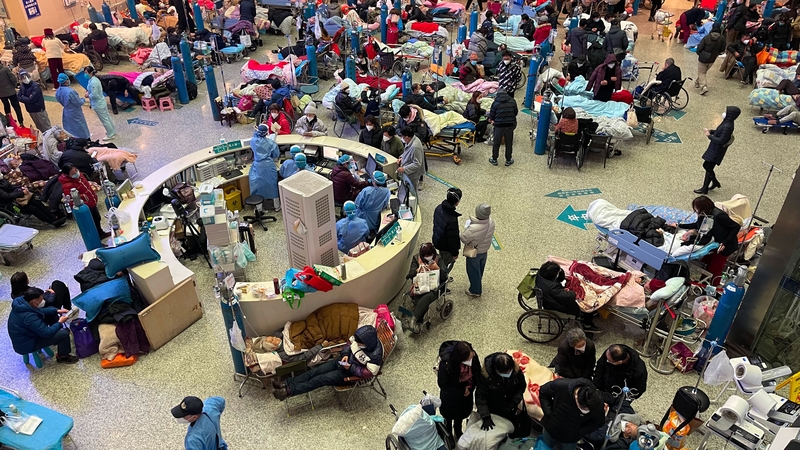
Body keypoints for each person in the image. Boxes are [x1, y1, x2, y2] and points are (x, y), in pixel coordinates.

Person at [272, 325, 383, 400]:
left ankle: (288, 391)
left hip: (349, 373)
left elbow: (368, 373)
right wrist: (344, 355)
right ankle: (286, 383)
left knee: (319, 379)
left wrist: (351, 368)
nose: (356, 344)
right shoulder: (359, 338)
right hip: (341, 362)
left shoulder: (375, 355)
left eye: (359, 344)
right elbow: (348, 345)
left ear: (366, 343)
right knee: (315, 372)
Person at [8, 288, 78, 364]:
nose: (43, 301)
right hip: (28, 344)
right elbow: (47, 333)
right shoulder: (29, 317)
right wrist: (59, 322)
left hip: (24, 338)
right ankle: (63, 356)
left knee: (51, 317)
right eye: (41, 299)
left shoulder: (22, 303)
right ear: (34, 302)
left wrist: (56, 310)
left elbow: (38, 311)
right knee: (63, 334)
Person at [540, 378, 605, 450]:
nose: (585, 411)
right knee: (545, 447)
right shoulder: (561, 385)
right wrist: (549, 413)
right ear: (576, 397)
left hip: (570, 438)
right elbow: (543, 392)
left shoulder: (596, 401)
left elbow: (599, 422)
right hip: (550, 428)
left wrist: (580, 431)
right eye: (583, 408)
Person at [475, 352, 530, 438]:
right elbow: (480, 396)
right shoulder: (486, 376)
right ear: (496, 370)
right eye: (505, 372)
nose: (508, 373)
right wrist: (485, 416)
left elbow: (521, 388)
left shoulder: (516, 372)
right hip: (492, 410)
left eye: (509, 371)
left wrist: (514, 402)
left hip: (510, 408)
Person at [536, 261, 600, 332]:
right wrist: (573, 292)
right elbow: (567, 296)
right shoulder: (552, 287)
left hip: (550, 298)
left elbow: (560, 283)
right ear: (552, 275)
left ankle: (587, 317)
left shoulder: (541, 274)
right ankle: (587, 325)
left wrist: (559, 271)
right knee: (587, 303)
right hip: (556, 305)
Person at [438, 341, 481, 441]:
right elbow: (443, 384)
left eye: (472, 356)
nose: (471, 359)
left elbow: (477, 372)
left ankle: (458, 430)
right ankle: (448, 433)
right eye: (468, 359)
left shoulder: (473, 356)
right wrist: (461, 390)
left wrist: (471, 387)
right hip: (451, 397)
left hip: (466, 396)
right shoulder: (446, 365)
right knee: (448, 417)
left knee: (460, 416)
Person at [406, 243, 452, 332]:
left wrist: (437, 268)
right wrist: (417, 270)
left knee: (427, 297)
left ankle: (414, 319)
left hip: (434, 288)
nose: (428, 257)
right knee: (420, 298)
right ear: (422, 255)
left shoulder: (438, 259)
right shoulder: (416, 258)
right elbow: (411, 275)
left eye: (430, 255)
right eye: (426, 256)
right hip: (420, 286)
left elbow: (444, 277)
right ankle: (417, 322)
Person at [695, 106, 739, 194]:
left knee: (708, 166)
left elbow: (721, 140)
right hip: (714, 148)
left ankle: (705, 187)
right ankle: (714, 182)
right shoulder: (727, 123)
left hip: (717, 150)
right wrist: (711, 131)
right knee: (707, 166)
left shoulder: (727, 126)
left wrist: (709, 136)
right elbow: (720, 132)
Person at [59, 164, 110, 238]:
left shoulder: (80, 176)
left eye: (76, 170)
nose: (76, 173)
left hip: (91, 201)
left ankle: (101, 234)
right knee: (90, 224)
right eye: (73, 173)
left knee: (97, 218)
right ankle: (95, 240)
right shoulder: (67, 185)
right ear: (67, 174)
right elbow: (71, 199)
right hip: (84, 206)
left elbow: (87, 187)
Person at [0, 172, 64, 227]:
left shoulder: (2, 180)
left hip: (16, 198)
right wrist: (22, 193)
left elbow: (11, 187)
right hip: (9, 205)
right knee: (33, 209)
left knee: (36, 201)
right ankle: (52, 222)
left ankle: (54, 217)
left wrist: (22, 188)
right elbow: (7, 196)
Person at [461, 203, 495, 297]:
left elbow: (464, 239)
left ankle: (475, 290)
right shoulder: (491, 222)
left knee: (473, 271)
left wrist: (466, 228)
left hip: (474, 252)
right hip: (484, 251)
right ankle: (477, 283)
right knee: (480, 269)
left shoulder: (472, 228)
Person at [248, 124, 281, 212]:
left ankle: (259, 209)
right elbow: (276, 155)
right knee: (273, 185)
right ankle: (277, 206)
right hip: (269, 165)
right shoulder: (270, 142)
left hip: (258, 165)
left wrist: (257, 130)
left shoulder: (253, 141)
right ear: (266, 133)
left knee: (258, 186)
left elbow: (255, 136)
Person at [84, 66, 116, 142]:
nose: (85, 74)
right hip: (101, 102)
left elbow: (94, 95)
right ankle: (112, 131)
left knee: (104, 119)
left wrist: (88, 95)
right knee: (107, 117)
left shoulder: (94, 82)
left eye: (86, 73)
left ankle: (110, 134)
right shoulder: (93, 79)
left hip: (98, 103)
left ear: (90, 72)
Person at [55, 73, 91, 140]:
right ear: (66, 81)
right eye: (67, 79)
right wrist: (83, 99)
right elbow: (78, 102)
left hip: (67, 111)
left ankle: (74, 140)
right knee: (80, 127)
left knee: (70, 128)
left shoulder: (58, 91)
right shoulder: (70, 92)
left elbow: (59, 100)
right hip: (75, 112)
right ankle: (85, 140)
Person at [487, 89, 517, 166]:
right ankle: (508, 160)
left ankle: (494, 159)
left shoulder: (495, 103)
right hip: (510, 125)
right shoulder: (512, 101)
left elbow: (492, 116)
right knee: (509, 143)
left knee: (496, 143)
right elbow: (515, 112)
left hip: (498, 126)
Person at [695, 24, 726, 95]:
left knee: (701, 72)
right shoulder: (722, 38)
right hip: (713, 58)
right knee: (703, 71)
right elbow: (722, 49)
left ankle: (703, 87)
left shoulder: (707, 37)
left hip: (703, 57)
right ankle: (697, 82)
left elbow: (700, 47)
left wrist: (699, 53)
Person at [433, 187, 462, 262]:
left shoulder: (439, 208)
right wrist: (455, 253)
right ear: (457, 202)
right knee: (445, 266)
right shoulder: (452, 219)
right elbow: (452, 239)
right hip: (446, 248)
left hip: (438, 241)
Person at [398, 128, 425, 194]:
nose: (401, 138)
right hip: (408, 169)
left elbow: (417, 163)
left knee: (412, 192)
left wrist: (404, 168)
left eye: (402, 136)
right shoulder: (411, 140)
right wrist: (402, 157)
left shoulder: (415, 146)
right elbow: (407, 152)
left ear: (407, 137)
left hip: (412, 173)